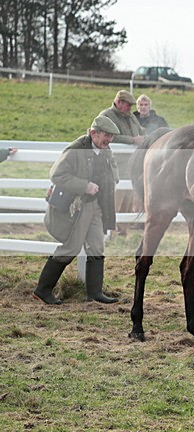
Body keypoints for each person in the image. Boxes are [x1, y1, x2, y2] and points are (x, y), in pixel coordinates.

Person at [33, 116, 121, 305]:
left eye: (111, 136)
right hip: (79, 206)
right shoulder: (76, 150)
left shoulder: (105, 149)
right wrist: (84, 185)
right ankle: (43, 290)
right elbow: (56, 174)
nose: (109, 140)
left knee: (97, 247)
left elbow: (112, 174)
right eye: (106, 135)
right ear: (93, 133)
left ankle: (95, 293)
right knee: (71, 248)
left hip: (96, 206)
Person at [101, 90, 144, 235]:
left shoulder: (130, 116)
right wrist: (132, 141)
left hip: (131, 163)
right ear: (119, 102)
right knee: (115, 197)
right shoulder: (106, 116)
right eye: (127, 105)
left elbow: (139, 130)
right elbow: (109, 137)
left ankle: (122, 231)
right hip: (115, 163)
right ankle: (109, 230)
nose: (130, 108)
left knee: (128, 197)